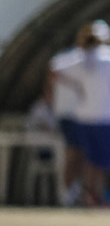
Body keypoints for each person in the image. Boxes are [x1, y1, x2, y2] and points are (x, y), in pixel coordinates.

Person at [51, 20, 110, 207]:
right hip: (102, 117)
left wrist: (76, 86)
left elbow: (54, 69)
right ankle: (89, 195)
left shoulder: (81, 57)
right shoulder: (109, 56)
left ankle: (88, 194)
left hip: (87, 116)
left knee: (91, 158)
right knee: (97, 159)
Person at [45, 24, 90, 206]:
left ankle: (75, 190)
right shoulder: (67, 59)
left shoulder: (91, 59)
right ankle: (67, 192)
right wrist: (76, 85)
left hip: (85, 115)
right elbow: (53, 74)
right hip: (69, 113)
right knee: (73, 153)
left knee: (81, 154)